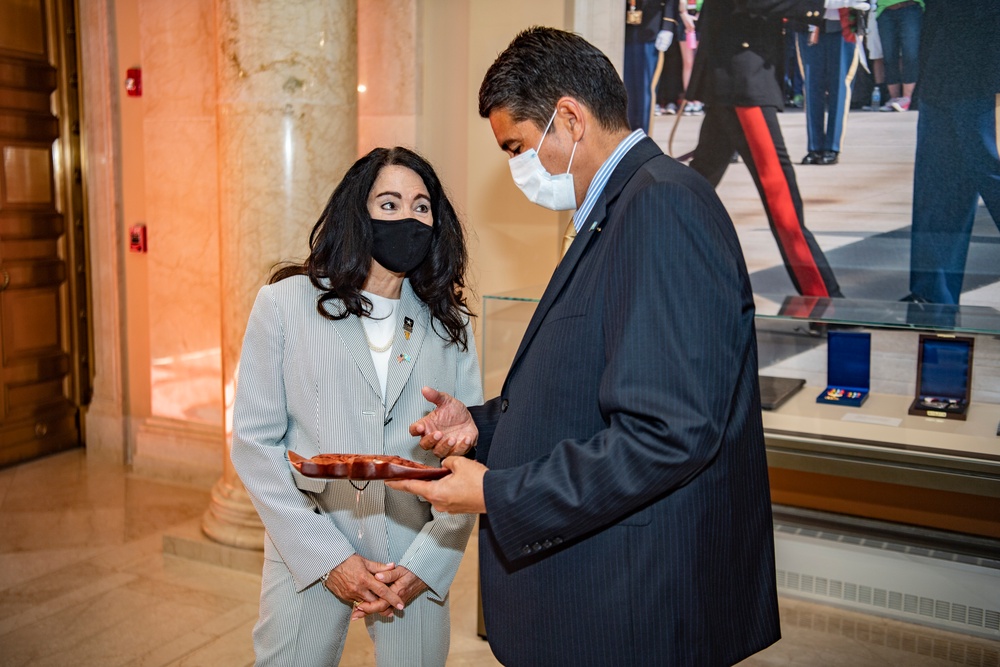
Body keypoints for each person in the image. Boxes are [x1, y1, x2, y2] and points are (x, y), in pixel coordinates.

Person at [389, 26, 780, 666]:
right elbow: (596, 383)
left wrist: (496, 494)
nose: (517, 168)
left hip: (630, 602)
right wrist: (481, 426)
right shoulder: (622, 207)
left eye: (517, 146)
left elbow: (667, 432)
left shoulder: (660, 207)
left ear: (568, 118)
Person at [230, 146, 482, 667]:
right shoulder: (285, 305)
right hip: (311, 540)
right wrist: (330, 557)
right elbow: (255, 444)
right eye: (388, 204)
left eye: (421, 206)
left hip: (411, 554)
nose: (407, 218)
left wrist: (429, 562)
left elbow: (469, 459)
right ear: (356, 213)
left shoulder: (450, 324)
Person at [684, 0, 865, 298]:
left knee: (690, 195)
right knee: (782, 202)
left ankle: (638, 260)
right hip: (744, 81)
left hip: (737, 76)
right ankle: (823, 300)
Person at [907, 2, 1000, 305]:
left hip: (986, 70)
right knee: (938, 188)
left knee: (993, 177)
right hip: (942, 65)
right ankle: (933, 296)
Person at [797, 9, 862, 165]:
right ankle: (814, 147)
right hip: (807, 24)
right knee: (812, 87)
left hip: (843, 24)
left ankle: (833, 147)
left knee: (840, 87)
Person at [624, 0, 677, 132]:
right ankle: (626, 136)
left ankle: (643, 136)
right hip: (624, 29)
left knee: (646, 90)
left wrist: (667, 25)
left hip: (650, 30)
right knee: (625, 89)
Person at [876, 0, 923, 112]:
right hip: (885, 10)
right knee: (889, 56)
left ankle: (907, 98)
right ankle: (894, 98)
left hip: (910, 7)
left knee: (910, 54)